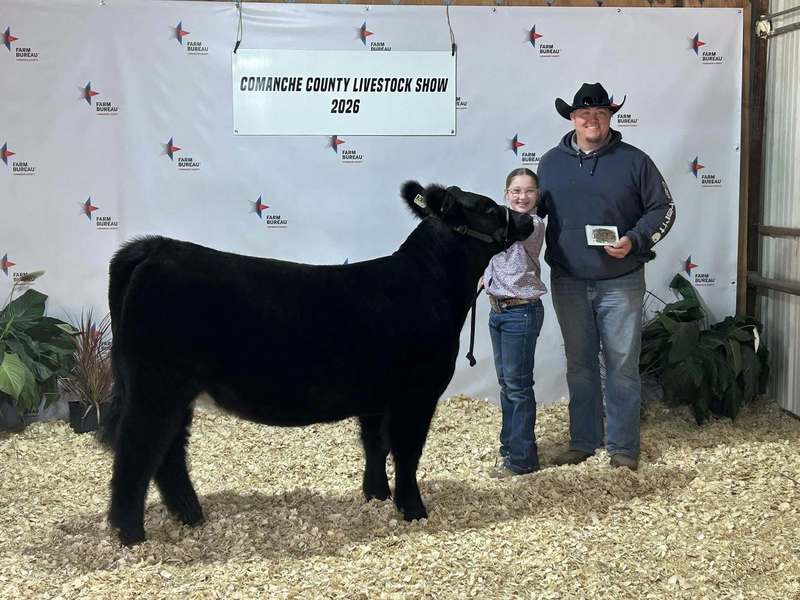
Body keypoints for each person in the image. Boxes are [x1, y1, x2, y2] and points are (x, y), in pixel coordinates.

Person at [537, 82, 675, 472]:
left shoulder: (635, 160)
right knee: (579, 364)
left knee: (621, 365)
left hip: (621, 280)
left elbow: (663, 208)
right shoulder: (549, 162)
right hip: (568, 279)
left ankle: (623, 448)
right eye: (584, 113)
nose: (591, 119)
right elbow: (533, 217)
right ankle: (583, 441)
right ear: (572, 118)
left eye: (599, 113)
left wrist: (634, 239)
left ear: (610, 116)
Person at [483, 168, 547, 478]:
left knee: (518, 387)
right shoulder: (501, 224)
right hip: (499, 311)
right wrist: (486, 278)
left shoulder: (530, 224)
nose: (522, 196)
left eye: (529, 191)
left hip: (521, 312)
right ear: (506, 193)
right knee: (509, 386)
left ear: (538, 196)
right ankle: (510, 450)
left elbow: (507, 234)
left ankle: (522, 460)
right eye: (516, 191)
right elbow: (498, 256)